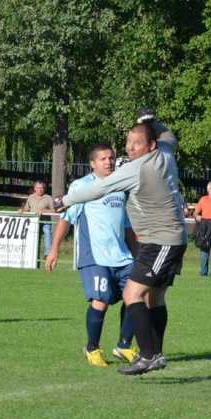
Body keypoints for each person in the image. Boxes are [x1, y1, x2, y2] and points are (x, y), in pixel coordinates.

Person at [56, 107, 188, 376]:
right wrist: (151, 122)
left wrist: (65, 200)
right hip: (169, 239)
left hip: (160, 241)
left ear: (150, 145)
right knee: (154, 298)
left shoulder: (140, 168)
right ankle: (155, 353)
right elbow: (170, 136)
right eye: (127, 142)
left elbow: (100, 187)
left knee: (132, 294)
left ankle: (149, 355)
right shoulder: (165, 151)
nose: (129, 148)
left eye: (136, 143)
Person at [45, 143, 138, 367]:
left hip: (122, 257)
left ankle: (124, 345)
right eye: (104, 159)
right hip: (94, 256)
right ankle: (92, 348)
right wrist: (54, 249)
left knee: (137, 296)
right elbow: (66, 218)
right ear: (92, 163)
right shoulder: (82, 186)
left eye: (111, 158)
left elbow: (125, 226)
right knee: (100, 301)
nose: (109, 162)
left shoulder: (119, 186)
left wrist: (138, 254)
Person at [17, 180, 55, 259]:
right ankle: (34, 255)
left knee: (47, 232)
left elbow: (53, 210)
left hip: (45, 221)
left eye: (41, 188)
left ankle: (47, 253)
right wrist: (22, 210)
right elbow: (27, 208)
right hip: (33, 221)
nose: (40, 190)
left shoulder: (48, 198)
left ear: (44, 189)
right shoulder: (31, 197)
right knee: (34, 237)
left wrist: (44, 211)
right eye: (38, 188)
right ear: (35, 188)